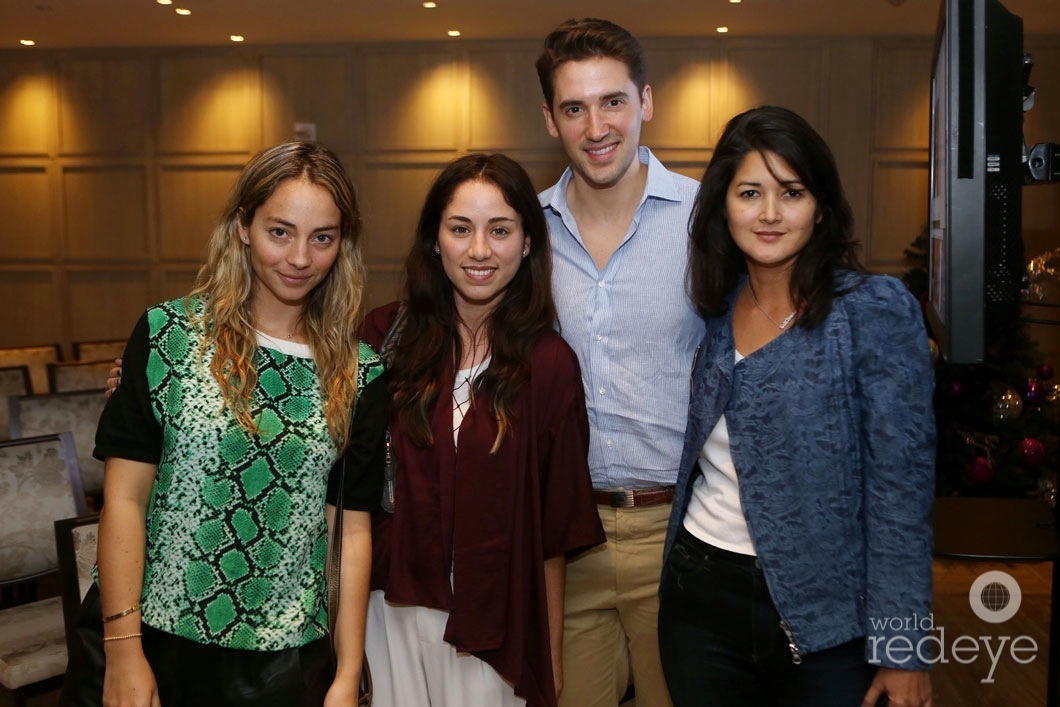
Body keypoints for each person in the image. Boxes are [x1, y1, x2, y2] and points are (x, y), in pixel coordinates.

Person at [66, 141, 386, 707]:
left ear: (343, 243)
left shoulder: (358, 372)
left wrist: (346, 672)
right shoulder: (169, 335)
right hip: (154, 641)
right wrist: (123, 651)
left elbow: (351, 532)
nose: (300, 258)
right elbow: (124, 500)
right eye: (279, 231)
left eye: (323, 237)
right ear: (243, 225)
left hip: (286, 660)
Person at [658, 105, 935, 707]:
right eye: (749, 192)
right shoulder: (712, 311)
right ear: (722, 206)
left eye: (792, 191)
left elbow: (901, 497)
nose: (769, 213)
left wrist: (904, 647)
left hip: (830, 620)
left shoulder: (873, 310)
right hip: (699, 603)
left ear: (821, 204)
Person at [358, 153, 604, 707]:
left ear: (528, 243)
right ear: (434, 240)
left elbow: (554, 528)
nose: (479, 251)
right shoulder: (382, 338)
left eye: (500, 230)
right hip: (390, 610)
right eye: (460, 228)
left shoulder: (549, 365)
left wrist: (551, 657)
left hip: (495, 625)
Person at [535, 18, 702, 707]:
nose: (596, 126)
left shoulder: (707, 218)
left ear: (646, 103)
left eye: (613, 102)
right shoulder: (526, 232)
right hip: (567, 536)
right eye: (574, 107)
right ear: (550, 119)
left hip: (679, 532)